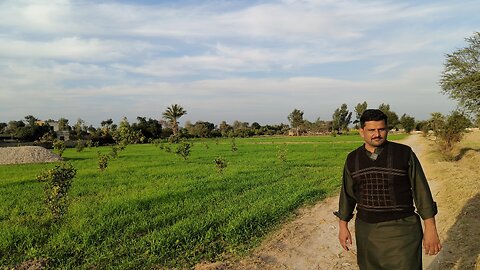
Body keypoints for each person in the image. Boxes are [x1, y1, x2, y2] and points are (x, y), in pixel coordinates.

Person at [334, 109, 441, 270]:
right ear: (361, 132)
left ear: (387, 130)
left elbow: (422, 192)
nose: (377, 134)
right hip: (367, 232)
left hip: (403, 231)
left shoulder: (404, 154)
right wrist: (343, 227)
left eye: (381, 129)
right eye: (371, 130)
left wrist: (430, 229)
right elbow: (347, 196)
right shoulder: (353, 159)